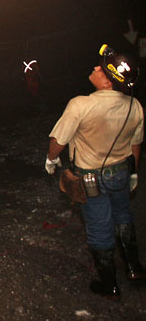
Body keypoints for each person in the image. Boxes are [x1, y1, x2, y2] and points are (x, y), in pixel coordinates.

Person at [45, 45, 145, 300]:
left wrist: (51, 159)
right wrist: (133, 172)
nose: (96, 68)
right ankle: (134, 268)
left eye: (101, 68)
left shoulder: (80, 104)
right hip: (121, 172)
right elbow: (135, 145)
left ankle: (109, 283)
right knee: (123, 216)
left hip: (91, 179)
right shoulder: (135, 106)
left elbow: (59, 140)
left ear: (108, 82)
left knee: (99, 226)